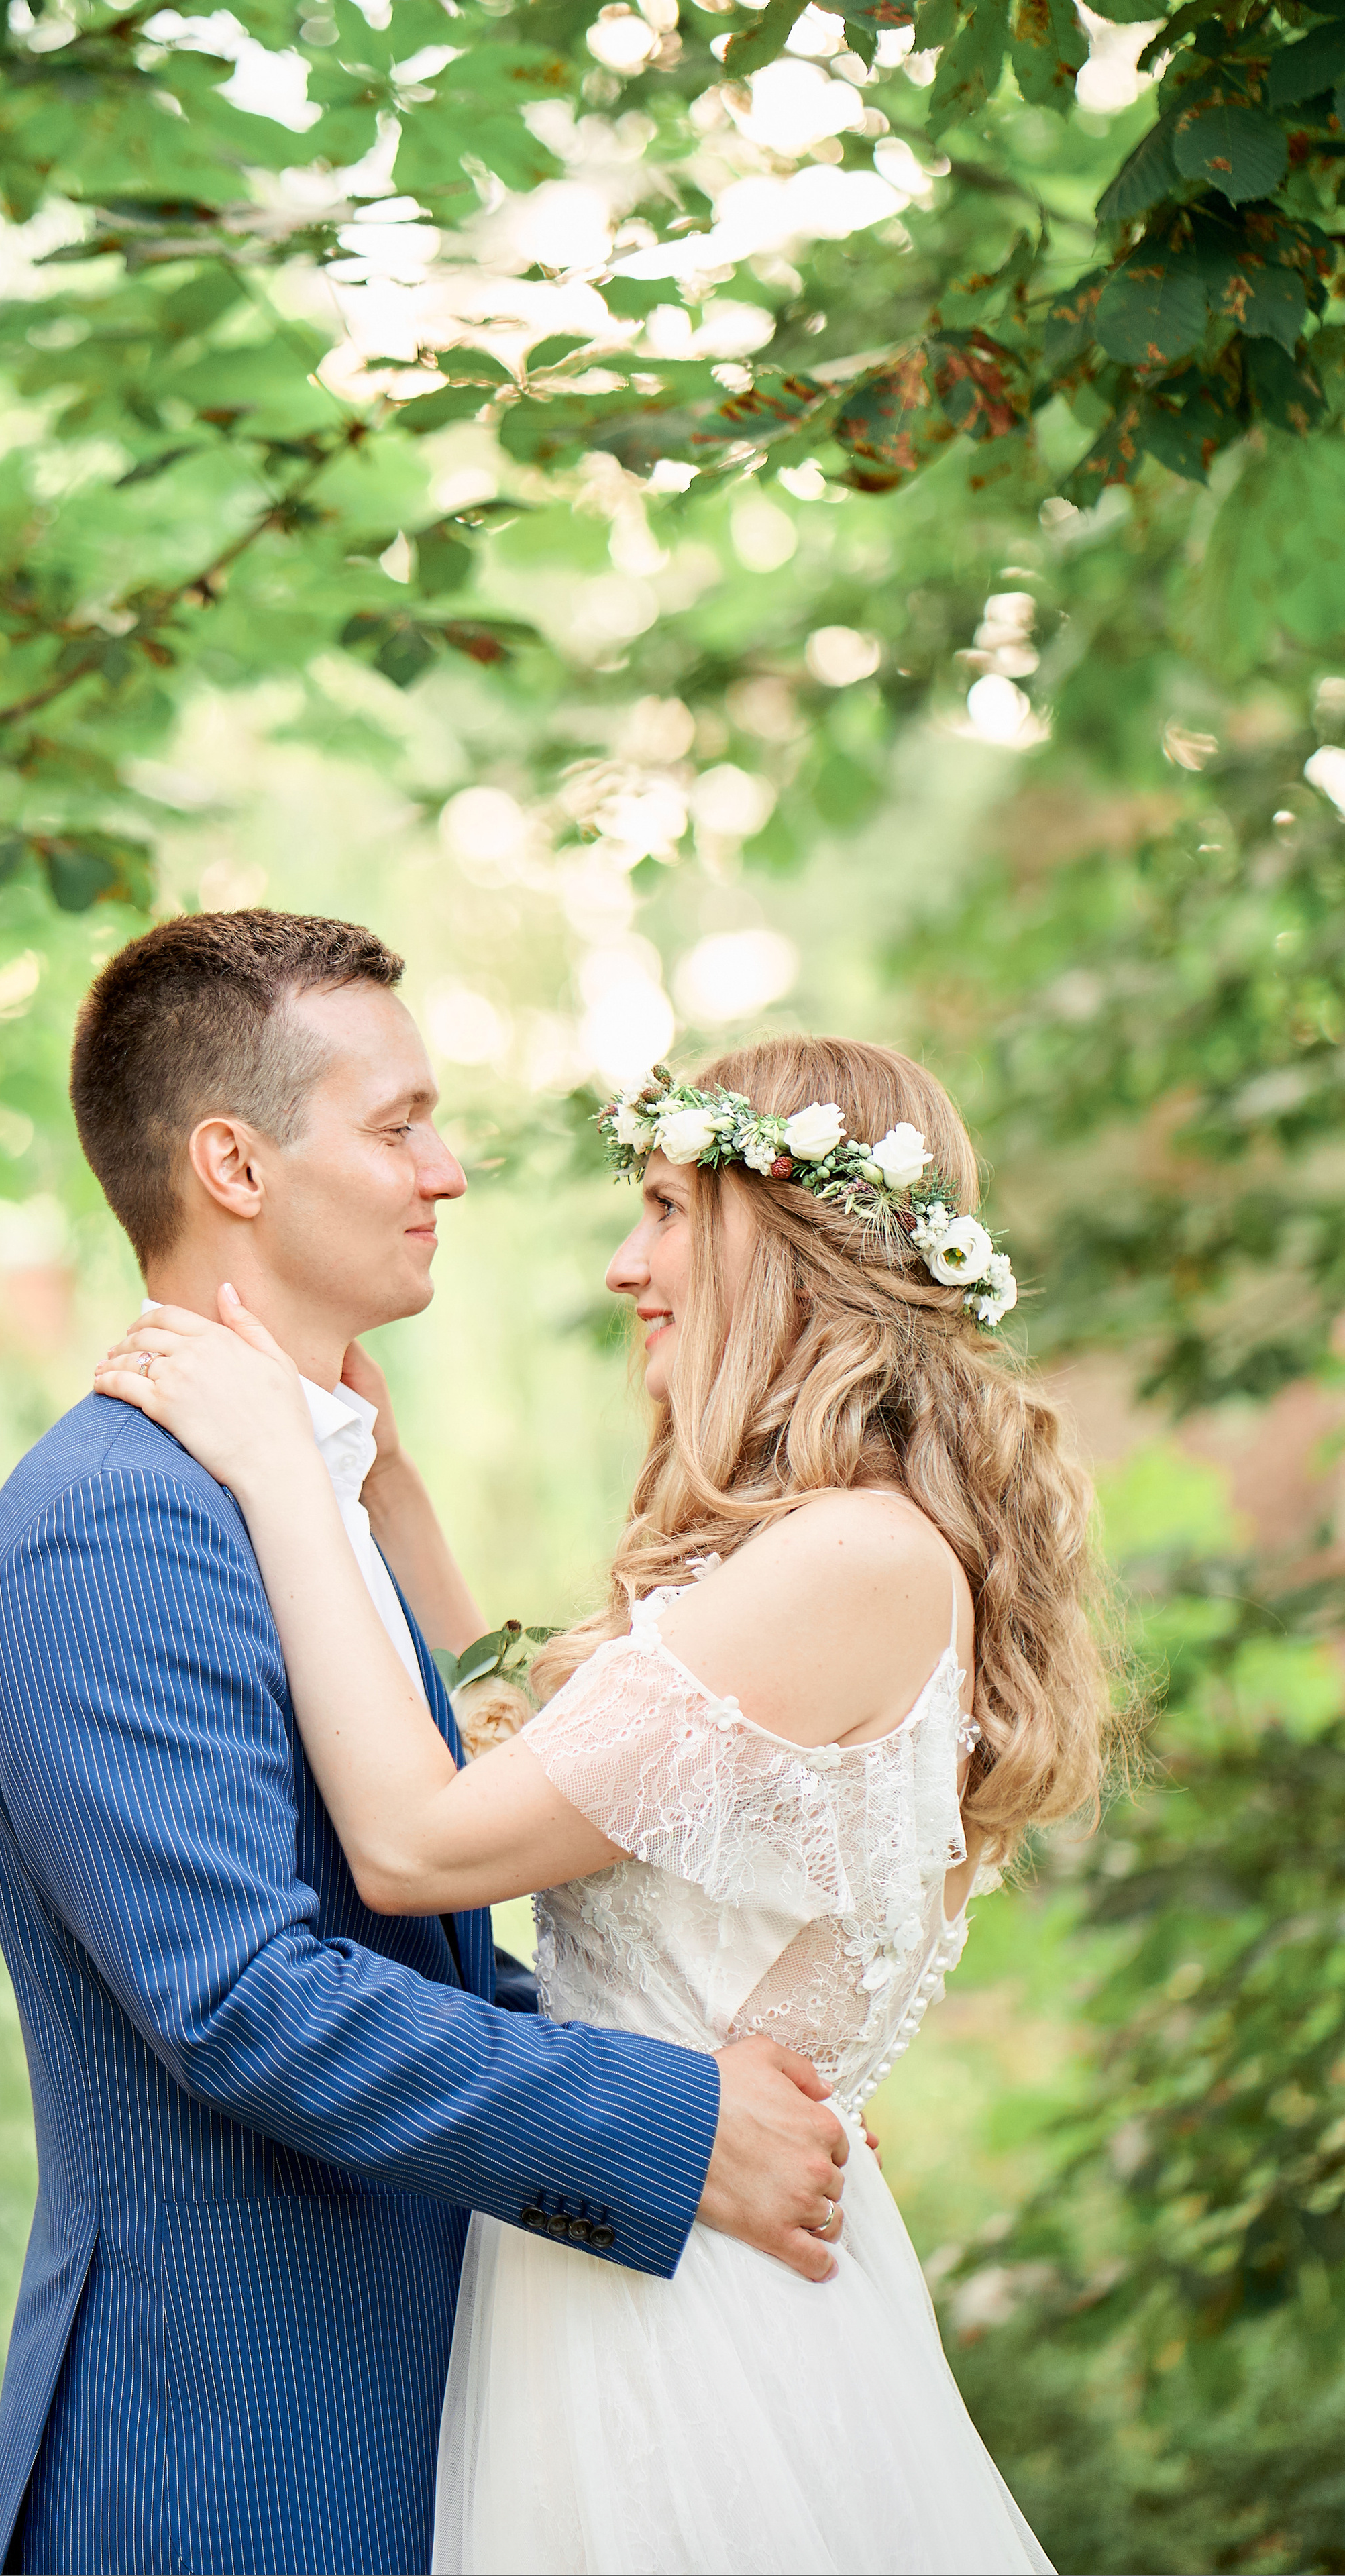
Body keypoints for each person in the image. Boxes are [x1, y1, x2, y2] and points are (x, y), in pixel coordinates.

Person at [95, 1031, 1115, 2576]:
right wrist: (385, 1493)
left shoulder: (845, 1561)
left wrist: (280, 1474)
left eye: (661, 1210)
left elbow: (416, 1842)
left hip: (684, 2319)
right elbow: (531, 1779)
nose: (624, 1265)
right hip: (638, 2251)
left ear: (780, 1241)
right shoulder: (830, 1551)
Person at [0, 912, 858, 2576]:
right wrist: (670, 2129)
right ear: (233, 1164)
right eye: (396, 1127)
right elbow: (243, 1999)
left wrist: (702, 2063)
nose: (446, 1171)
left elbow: (407, 1951)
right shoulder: (116, 1526)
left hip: (412, 2406)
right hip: (237, 2451)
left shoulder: (305, 1491)